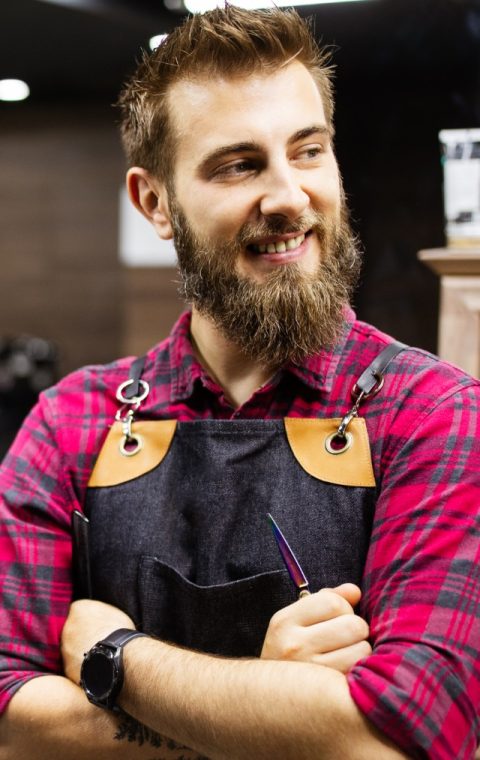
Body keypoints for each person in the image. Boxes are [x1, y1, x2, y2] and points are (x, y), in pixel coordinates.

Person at [0, 6, 479, 759]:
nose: (290, 196)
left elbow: (409, 734)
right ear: (154, 202)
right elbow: (7, 717)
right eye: (240, 164)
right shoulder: (72, 422)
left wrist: (115, 657)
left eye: (309, 151)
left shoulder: (434, 412)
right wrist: (277, 702)